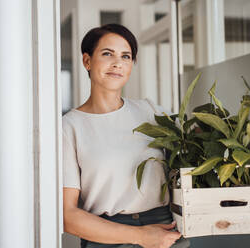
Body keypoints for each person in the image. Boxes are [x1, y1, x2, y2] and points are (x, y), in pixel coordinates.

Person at [63, 24, 190, 248]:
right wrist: (141, 236)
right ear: (87, 61)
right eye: (107, 54)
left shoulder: (151, 111)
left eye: (126, 56)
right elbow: (68, 216)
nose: (117, 63)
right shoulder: (69, 127)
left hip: (165, 232)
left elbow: (196, 145)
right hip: (106, 237)